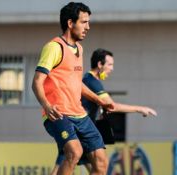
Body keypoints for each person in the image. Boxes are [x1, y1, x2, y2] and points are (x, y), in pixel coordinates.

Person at [32, 2, 114, 175]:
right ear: (70, 23)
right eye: (84, 22)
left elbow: (77, 83)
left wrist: (100, 101)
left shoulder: (80, 49)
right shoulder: (54, 47)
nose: (88, 27)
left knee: (101, 161)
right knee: (74, 152)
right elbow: (37, 82)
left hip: (80, 115)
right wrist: (47, 106)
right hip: (58, 114)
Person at [50, 48, 158, 174]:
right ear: (100, 65)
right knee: (63, 167)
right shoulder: (92, 81)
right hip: (76, 132)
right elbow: (112, 106)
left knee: (97, 168)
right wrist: (140, 109)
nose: (112, 68)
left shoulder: (87, 79)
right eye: (110, 64)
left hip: (81, 132)